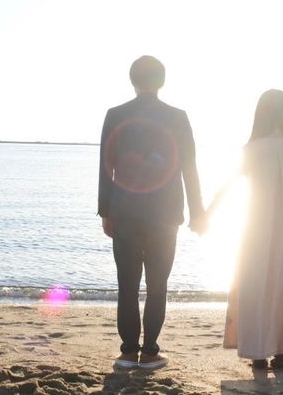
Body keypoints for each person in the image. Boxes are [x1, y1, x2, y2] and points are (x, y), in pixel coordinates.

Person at [98, 56, 205, 371]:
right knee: (158, 285)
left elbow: (106, 167)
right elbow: (189, 168)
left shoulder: (116, 114)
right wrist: (197, 211)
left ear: (132, 80)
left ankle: (128, 352)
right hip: (165, 214)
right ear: (162, 81)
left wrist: (105, 210)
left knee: (127, 284)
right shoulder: (177, 117)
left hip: (124, 211)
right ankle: (149, 353)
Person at [207, 89, 283, 370]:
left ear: (260, 115)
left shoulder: (250, 150)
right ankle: (282, 353)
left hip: (257, 227)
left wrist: (207, 214)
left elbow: (228, 186)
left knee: (255, 286)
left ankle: (257, 353)